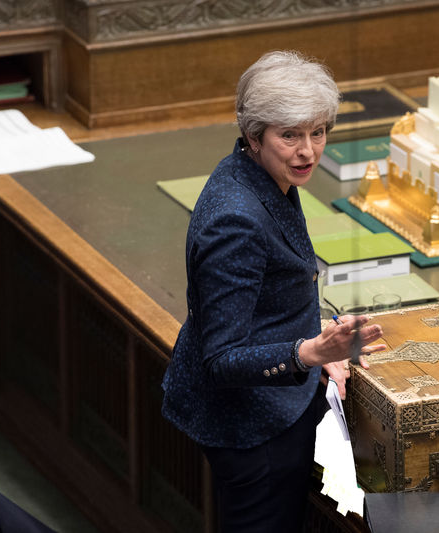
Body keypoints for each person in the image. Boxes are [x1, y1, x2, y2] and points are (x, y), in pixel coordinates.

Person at [161, 50, 386, 533]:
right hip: (252, 428)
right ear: (253, 135)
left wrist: (315, 334)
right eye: (290, 136)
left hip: (267, 406)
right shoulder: (235, 221)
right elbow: (221, 362)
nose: (308, 151)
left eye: (318, 132)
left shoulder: (261, 172)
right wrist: (309, 351)